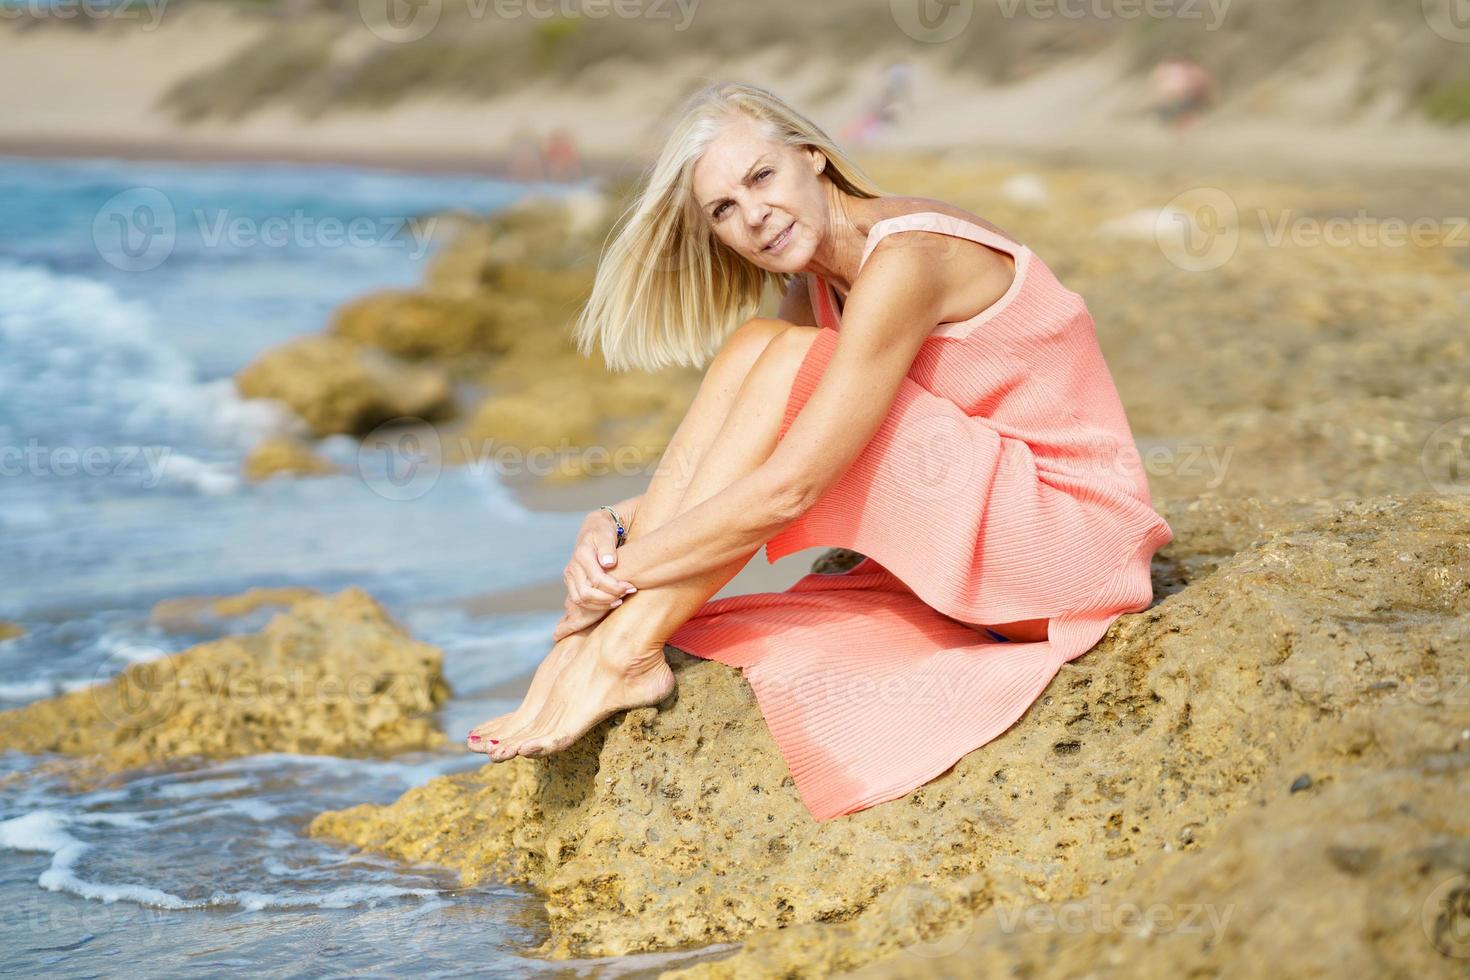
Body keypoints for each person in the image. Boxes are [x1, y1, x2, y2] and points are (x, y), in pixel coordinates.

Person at [466, 82, 1173, 822]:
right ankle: (607, 651)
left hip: (1071, 552)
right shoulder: (815, 291)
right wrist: (608, 529)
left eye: (761, 177)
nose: (754, 215)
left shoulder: (908, 258)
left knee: (778, 360)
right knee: (759, 347)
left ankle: (617, 655)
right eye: (724, 210)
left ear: (813, 158)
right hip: (1002, 551)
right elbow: (763, 458)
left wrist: (621, 583)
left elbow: (791, 487)